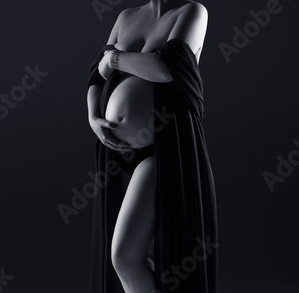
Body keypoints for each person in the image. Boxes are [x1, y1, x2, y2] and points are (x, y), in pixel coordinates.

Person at [87, 1, 218, 292]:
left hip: (165, 148)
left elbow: (167, 69)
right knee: (138, 256)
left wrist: (116, 59)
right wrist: (94, 117)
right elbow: (96, 76)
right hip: (116, 152)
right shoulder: (126, 17)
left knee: (125, 256)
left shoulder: (192, 12)